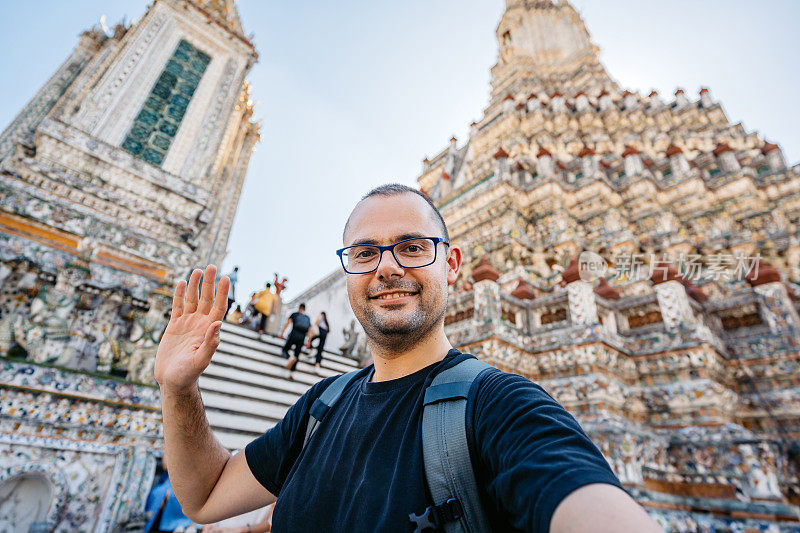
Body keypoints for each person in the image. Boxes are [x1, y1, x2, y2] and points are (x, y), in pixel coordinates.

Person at [154, 184, 664, 532]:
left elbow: (590, 506)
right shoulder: (320, 408)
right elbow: (205, 496)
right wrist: (178, 389)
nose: (388, 268)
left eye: (413, 246)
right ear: (349, 269)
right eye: (365, 252)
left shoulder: (498, 408)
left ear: (452, 263)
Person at [279, 304, 310, 371]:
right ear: (305, 309)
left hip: (294, 334)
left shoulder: (294, 314)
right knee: (297, 354)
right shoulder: (307, 318)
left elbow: (287, 323)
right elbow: (309, 330)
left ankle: (289, 358)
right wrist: (308, 342)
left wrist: (282, 333)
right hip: (302, 338)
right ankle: (292, 372)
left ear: (299, 308)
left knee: (285, 349)